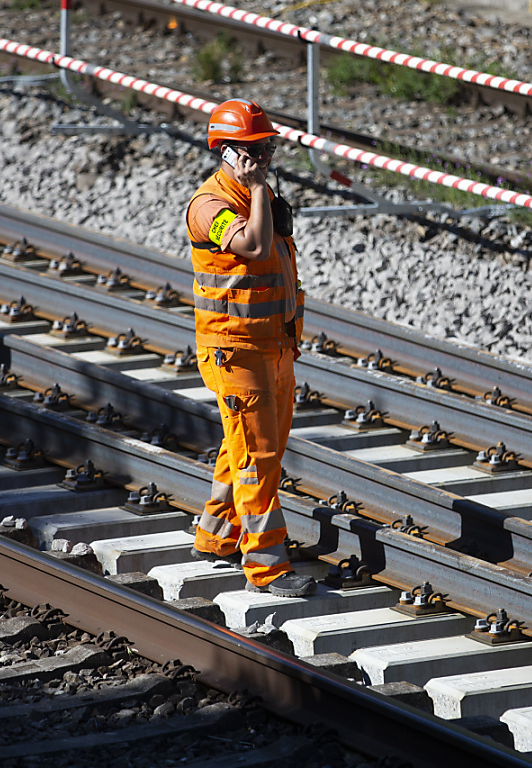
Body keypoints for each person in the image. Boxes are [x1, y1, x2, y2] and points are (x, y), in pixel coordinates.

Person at [184, 98, 315, 598]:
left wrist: (260, 190)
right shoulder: (209, 207)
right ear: (227, 150)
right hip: (235, 352)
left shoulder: (256, 194)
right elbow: (256, 248)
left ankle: (215, 536)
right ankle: (266, 569)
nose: (265, 157)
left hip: (275, 347)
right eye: (256, 149)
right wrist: (260, 188)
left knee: (252, 447)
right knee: (256, 457)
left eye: (268, 147)